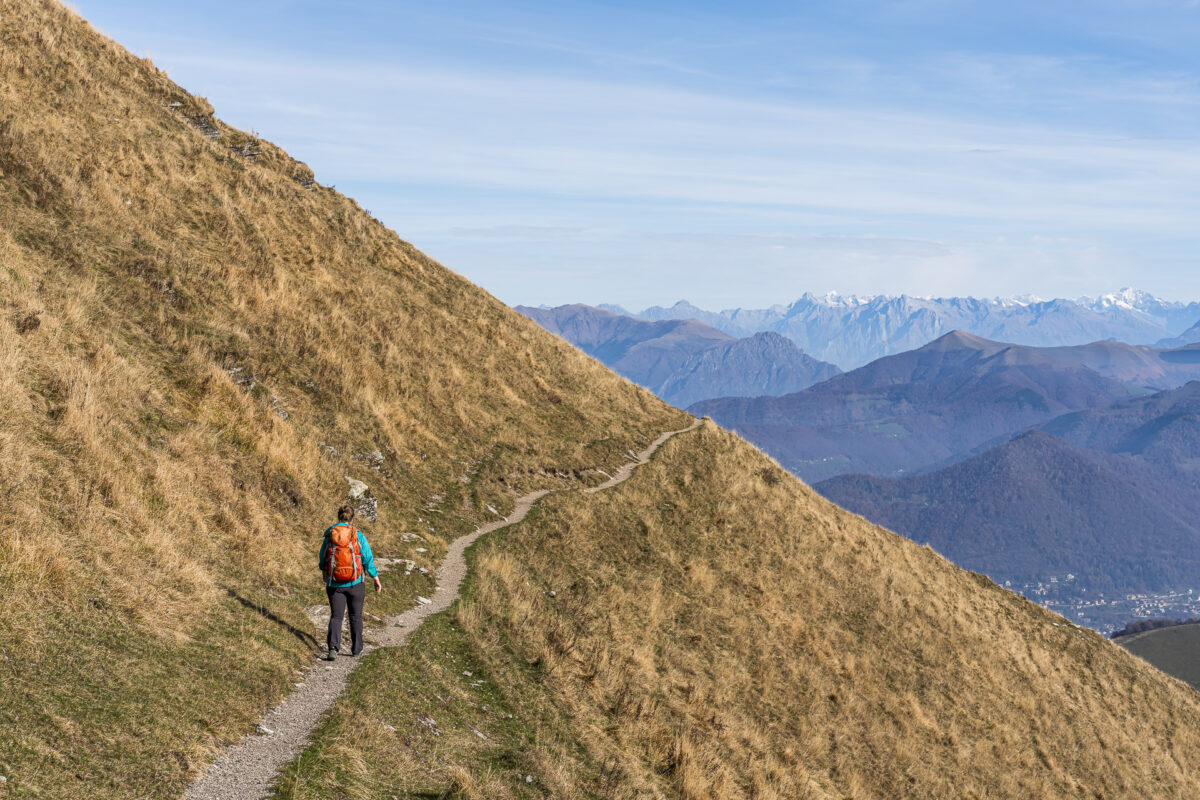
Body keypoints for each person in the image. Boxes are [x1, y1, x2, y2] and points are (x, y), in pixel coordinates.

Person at [318, 505, 382, 660]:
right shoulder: (357, 535)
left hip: (334, 584)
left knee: (336, 616)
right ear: (352, 519)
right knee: (355, 616)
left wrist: (324, 570)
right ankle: (357, 649)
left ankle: (333, 648)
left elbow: (322, 557)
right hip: (356, 583)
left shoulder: (330, 534)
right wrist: (375, 577)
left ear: (338, 517)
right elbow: (367, 558)